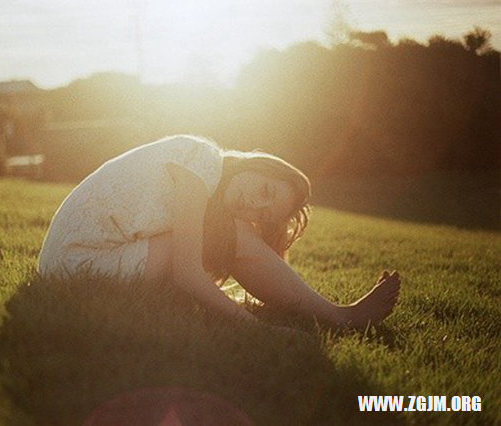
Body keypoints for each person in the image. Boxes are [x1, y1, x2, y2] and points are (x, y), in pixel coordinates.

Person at [38, 135, 400, 329]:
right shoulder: (203, 161)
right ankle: (339, 317)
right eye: (265, 191)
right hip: (77, 266)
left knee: (233, 232)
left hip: (70, 265)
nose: (254, 205)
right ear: (258, 166)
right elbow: (187, 273)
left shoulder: (209, 177)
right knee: (235, 236)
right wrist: (256, 330)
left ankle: (331, 314)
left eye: (265, 211)